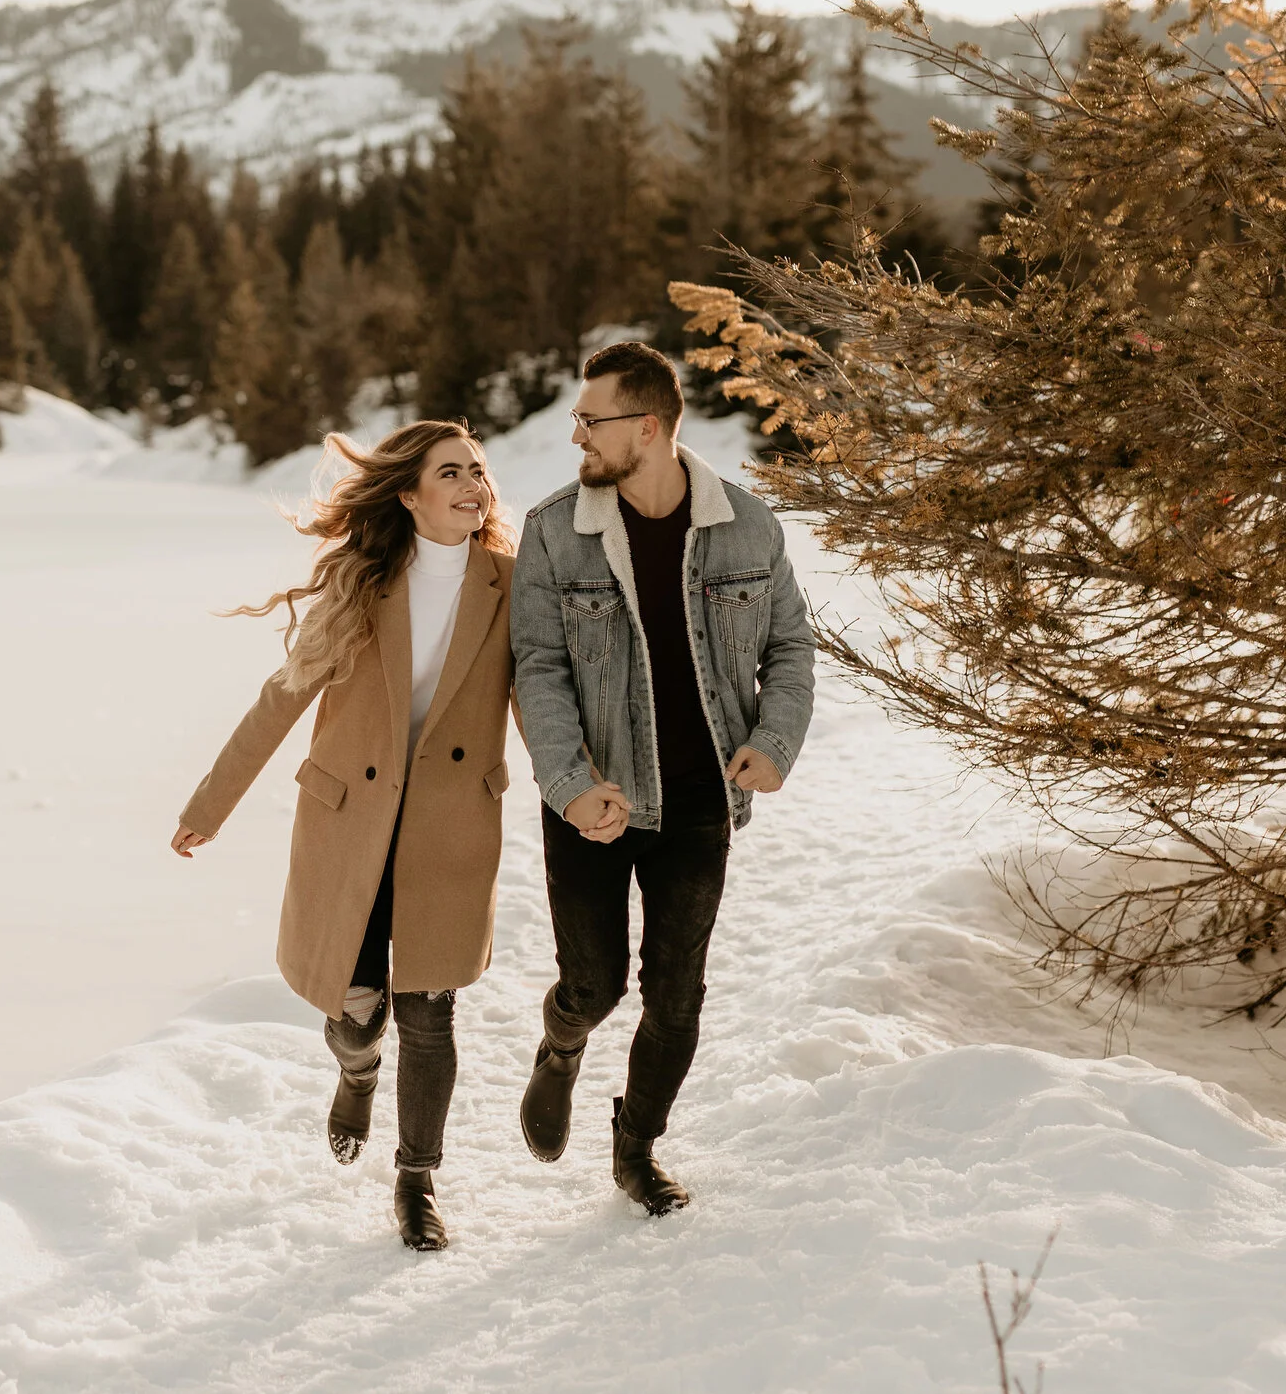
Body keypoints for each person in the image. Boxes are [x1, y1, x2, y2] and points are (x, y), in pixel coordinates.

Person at [171, 421, 516, 1252]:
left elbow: (540, 698)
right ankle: (356, 1070)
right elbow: (281, 697)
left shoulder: (513, 582)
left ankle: (416, 1180)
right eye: (451, 473)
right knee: (359, 1012)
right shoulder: (364, 583)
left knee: (430, 1014)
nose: (474, 485)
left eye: (479, 470)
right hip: (351, 821)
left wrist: (583, 798)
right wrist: (209, 805)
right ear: (409, 494)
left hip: (450, 825)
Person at [508, 341, 817, 1213]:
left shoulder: (747, 525)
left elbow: (792, 645)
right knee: (594, 985)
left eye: (591, 418)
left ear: (648, 427)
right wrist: (570, 784)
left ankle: (636, 1146)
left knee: (675, 997)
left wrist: (775, 739)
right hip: (594, 803)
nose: (577, 435)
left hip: (699, 803)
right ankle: (562, 1043)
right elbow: (537, 671)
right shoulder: (552, 532)